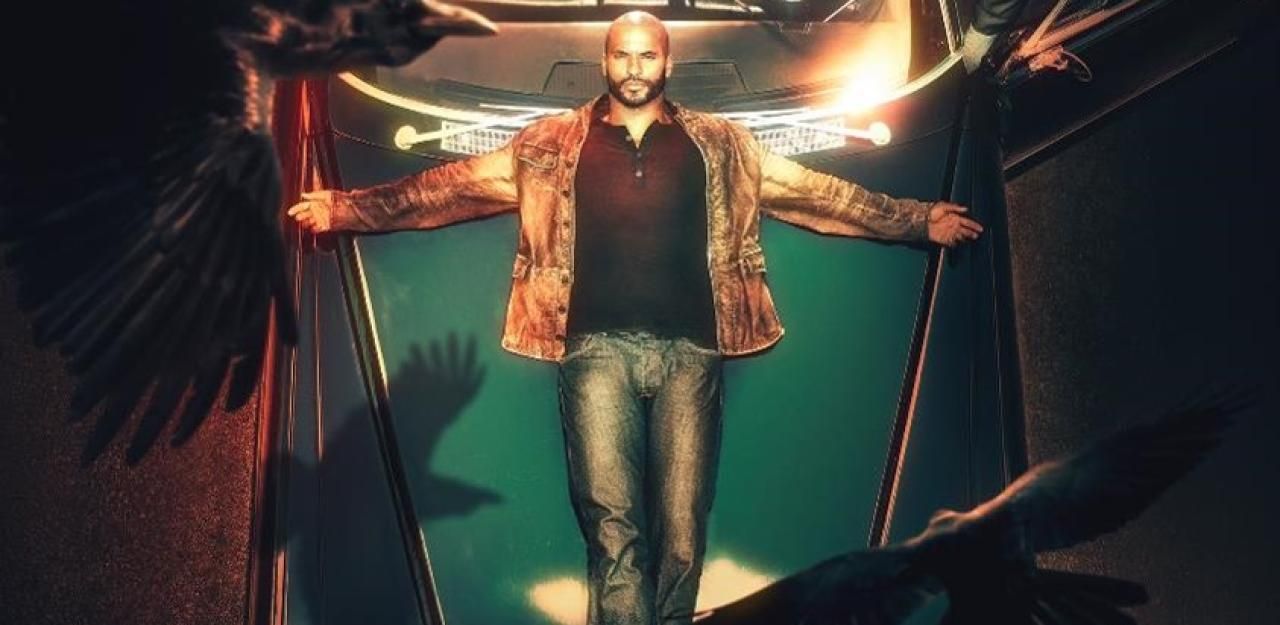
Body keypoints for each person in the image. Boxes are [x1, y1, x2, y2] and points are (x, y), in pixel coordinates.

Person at [288, 11, 982, 624]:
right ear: (606, 61)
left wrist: (918, 219)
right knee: (613, 531)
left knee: (681, 535)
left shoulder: (723, 145)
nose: (634, 67)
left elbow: (820, 195)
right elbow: (441, 191)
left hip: (693, 355)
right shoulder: (547, 146)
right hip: (593, 355)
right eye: (622, 55)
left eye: (647, 55)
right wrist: (344, 208)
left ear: (666, 64)